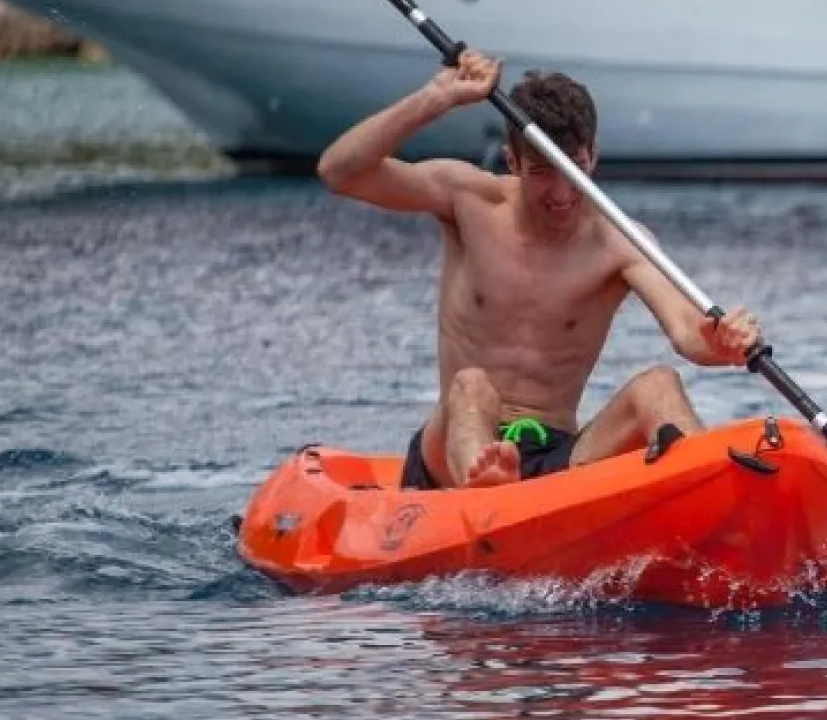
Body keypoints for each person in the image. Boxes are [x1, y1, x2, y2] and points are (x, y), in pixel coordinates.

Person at [316, 50, 763, 489]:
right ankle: (485, 485)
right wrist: (436, 98)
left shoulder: (620, 240)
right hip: (451, 453)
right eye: (543, 172)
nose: (563, 193)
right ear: (513, 162)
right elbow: (341, 172)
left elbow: (687, 332)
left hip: (557, 461)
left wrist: (721, 341)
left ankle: (718, 500)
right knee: (472, 387)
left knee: (659, 386)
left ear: (594, 155)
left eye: (576, 168)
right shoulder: (470, 200)